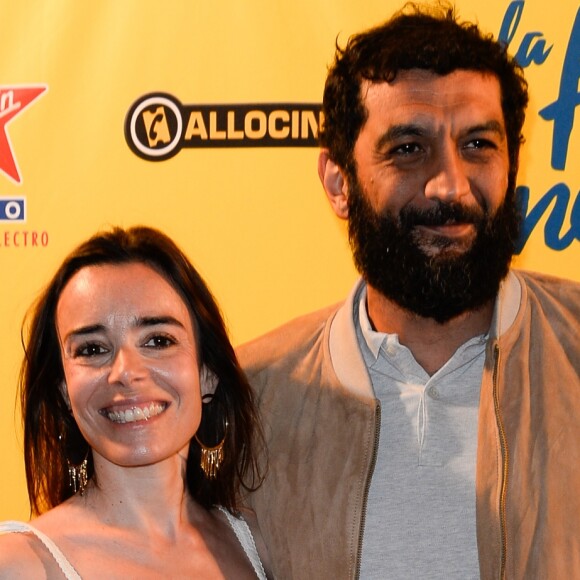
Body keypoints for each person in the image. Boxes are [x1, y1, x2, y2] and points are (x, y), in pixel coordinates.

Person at [238, 3, 580, 579]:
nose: (450, 184)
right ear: (337, 182)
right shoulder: (251, 399)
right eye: (408, 149)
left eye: (478, 145)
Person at [0, 226, 270, 579]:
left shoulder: (256, 544)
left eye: (158, 340)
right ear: (64, 391)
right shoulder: (17, 564)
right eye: (92, 349)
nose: (125, 372)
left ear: (207, 373)